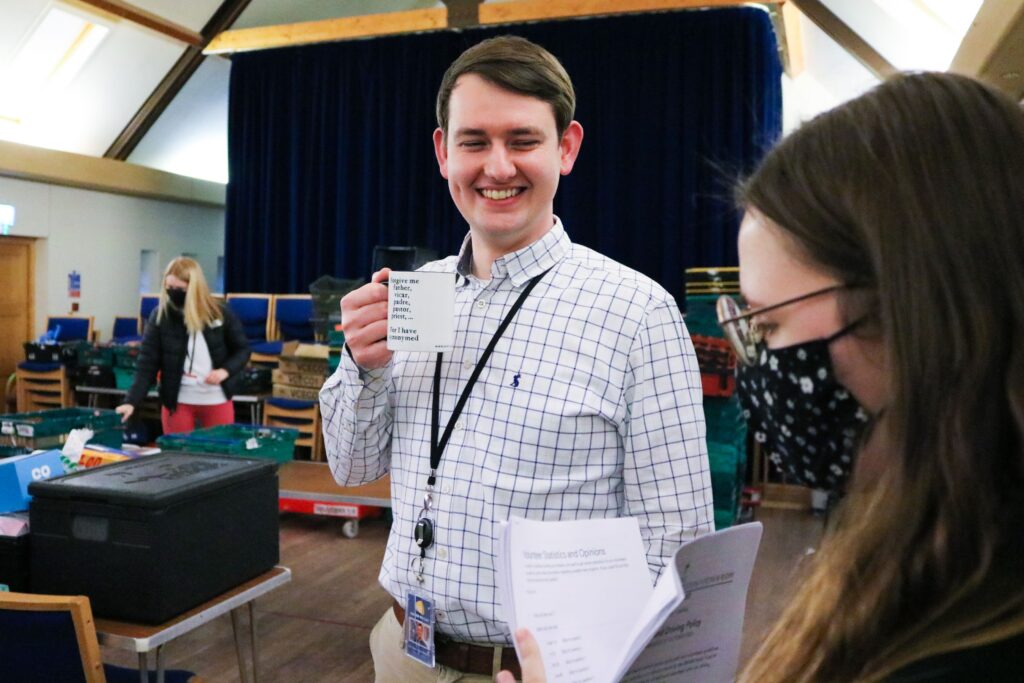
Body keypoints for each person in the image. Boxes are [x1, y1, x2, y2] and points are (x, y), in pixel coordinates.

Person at [498, 71, 1024, 682]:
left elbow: (677, 524)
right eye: (473, 141)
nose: (760, 366)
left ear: (909, 312)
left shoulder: (967, 641)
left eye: (769, 328)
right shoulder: (935, 564)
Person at [320, 35, 713, 681]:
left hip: (544, 670)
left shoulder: (636, 312)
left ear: (567, 147)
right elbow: (353, 466)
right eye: (474, 141)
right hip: (402, 650)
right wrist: (362, 367)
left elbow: (676, 539)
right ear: (444, 151)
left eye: (523, 140)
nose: (497, 167)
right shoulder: (420, 296)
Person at [116, 257, 250, 434]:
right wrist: (130, 402)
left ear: (194, 288)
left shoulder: (219, 313)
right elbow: (146, 364)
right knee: (176, 457)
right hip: (177, 401)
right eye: (169, 288)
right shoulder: (160, 316)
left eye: (180, 289)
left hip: (216, 398)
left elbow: (242, 349)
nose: (174, 293)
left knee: (219, 456)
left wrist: (224, 371)